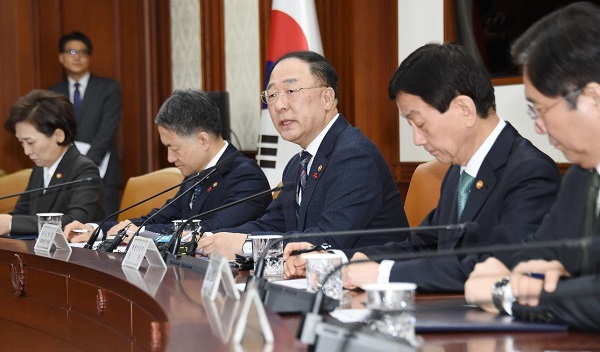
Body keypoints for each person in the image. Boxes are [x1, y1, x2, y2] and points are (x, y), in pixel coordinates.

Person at [284, 43, 561, 292]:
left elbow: (496, 266)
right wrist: (341, 260)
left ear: (464, 109)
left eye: (420, 123)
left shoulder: (531, 174)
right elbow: (423, 243)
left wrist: (382, 273)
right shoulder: (458, 171)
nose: (417, 139)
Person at [464, 2, 600, 331]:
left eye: (539, 109)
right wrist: (497, 265)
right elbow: (542, 249)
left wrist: (505, 292)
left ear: (592, 99)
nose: (538, 127)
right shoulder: (583, 176)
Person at [197, 51, 409, 260]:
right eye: (271, 95)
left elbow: (328, 241)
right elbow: (271, 224)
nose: (279, 105)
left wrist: (246, 246)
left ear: (327, 98)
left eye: (291, 90)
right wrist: (213, 239)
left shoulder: (354, 156)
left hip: (367, 287)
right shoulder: (297, 164)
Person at [64, 89, 271, 244]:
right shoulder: (195, 173)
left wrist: (138, 233)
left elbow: (212, 228)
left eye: (174, 148)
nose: (170, 158)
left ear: (203, 141)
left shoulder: (246, 177)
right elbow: (158, 218)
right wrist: (96, 229)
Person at [0, 90, 104, 236]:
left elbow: (75, 222)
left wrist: (11, 223)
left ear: (58, 135)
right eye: (21, 143)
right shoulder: (40, 168)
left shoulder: (85, 170)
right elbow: (20, 214)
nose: (26, 151)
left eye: (30, 142)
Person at [49, 31, 123, 214]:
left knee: (105, 229)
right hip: (65, 175)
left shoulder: (109, 88)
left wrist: (85, 165)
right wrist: (70, 168)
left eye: (83, 52)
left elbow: (108, 129)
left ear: (89, 57)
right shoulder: (52, 93)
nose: (78, 57)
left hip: (102, 172)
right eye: (72, 52)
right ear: (61, 57)